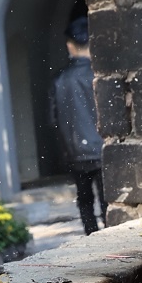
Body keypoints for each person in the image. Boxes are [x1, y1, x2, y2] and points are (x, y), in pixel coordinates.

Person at [51, 16, 104, 234]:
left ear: (70, 45)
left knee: (85, 202)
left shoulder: (61, 79)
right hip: (103, 150)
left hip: (76, 152)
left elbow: (54, 119)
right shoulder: (100, 75)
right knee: (108, 201)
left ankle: (92, 238)